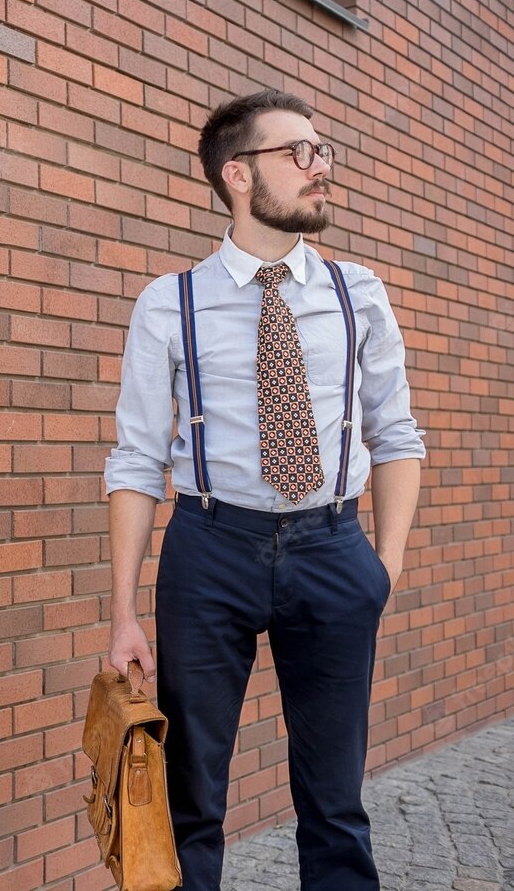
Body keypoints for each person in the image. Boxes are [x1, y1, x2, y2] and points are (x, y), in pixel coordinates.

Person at [105, 90, 424, 890]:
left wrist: (381, 565)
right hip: (211, 551)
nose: (322, 169)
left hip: (333, 548)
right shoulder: (170, 304)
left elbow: (398, 436)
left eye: (324, 151)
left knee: (336, 801)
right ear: (238, 175)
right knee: (191, 798)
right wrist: (121, 613)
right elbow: (138, 460)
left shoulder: (360, 295)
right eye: (301, 153)